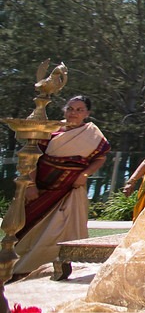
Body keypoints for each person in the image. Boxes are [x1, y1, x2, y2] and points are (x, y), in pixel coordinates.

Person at [12, 95, 111, 279]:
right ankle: (22, 269)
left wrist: (84, 174)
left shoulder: (92, 134)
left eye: (79, 110)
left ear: (87, 113)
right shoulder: (50, 129)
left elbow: (100, 158)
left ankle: (60, 267)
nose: (74, 113)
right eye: (70, 109)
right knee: (31, 230)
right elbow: (32, 157)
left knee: (62, 230)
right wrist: (31, 185)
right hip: (41, 189)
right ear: (64, 110)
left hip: (71, 190)